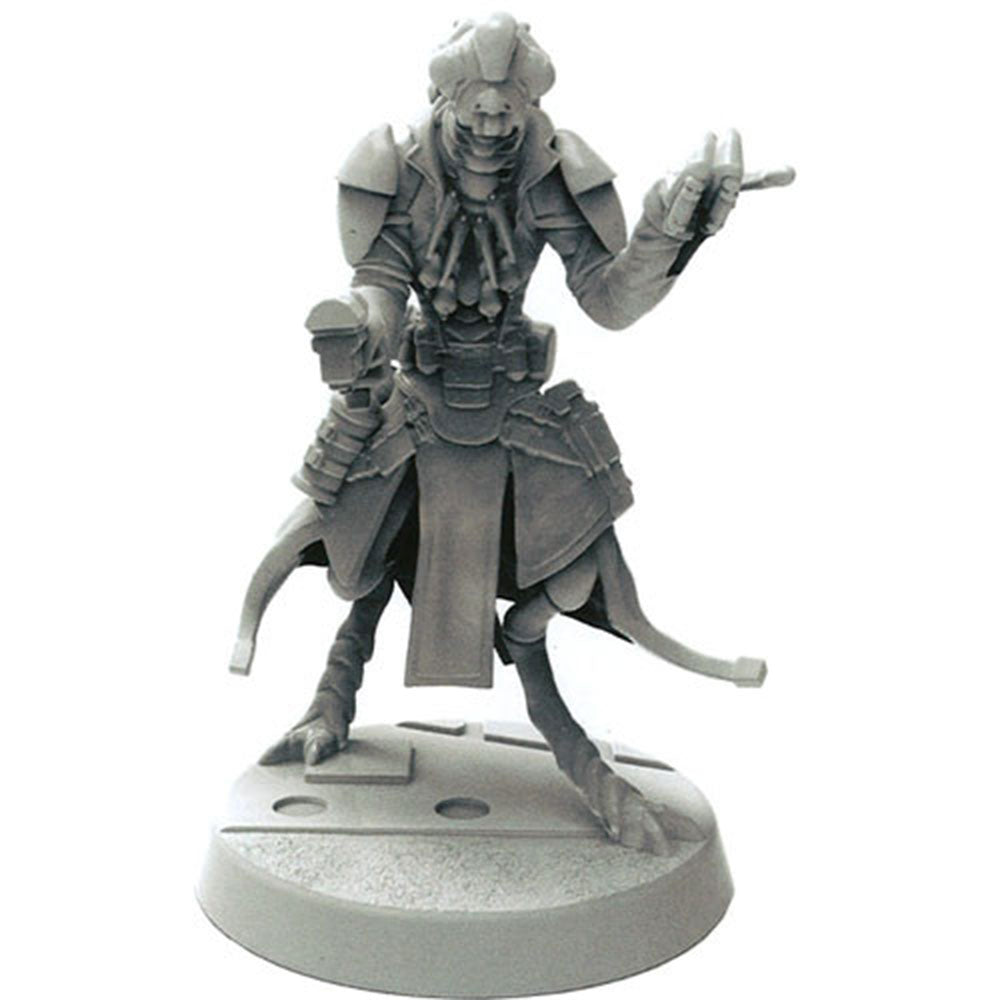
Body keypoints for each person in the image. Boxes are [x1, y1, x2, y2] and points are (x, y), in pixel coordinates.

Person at [231, 12, 776, 853]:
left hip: (515, 401)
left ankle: (543, 680)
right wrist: (361, 329)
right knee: (346, 545)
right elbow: (379, 283)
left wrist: (669, 229)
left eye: (508, 111)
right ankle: (332, 695)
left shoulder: (550, 169)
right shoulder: (394, 167)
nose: (492, 128)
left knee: (581, 569)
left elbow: (608, 298)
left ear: (530, 106)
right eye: (477, 110)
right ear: (444, 99)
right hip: (417, 394)